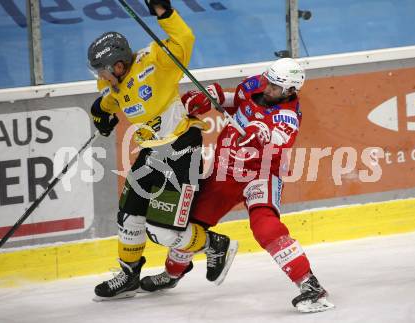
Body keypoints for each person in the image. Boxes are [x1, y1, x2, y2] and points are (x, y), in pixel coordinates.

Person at [140, 58, 334, 313]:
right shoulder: (259, 84)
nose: (268, 89)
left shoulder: (288, 117)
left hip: (260, 176)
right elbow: (234, 100)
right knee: (191, 225)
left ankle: (311, 287)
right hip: (225, 173)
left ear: (290, 91)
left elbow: (276, 137)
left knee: (266, 227)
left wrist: (260, 133)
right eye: (269, 82)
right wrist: (212, 96)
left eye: (276, 87)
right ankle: (172, 273)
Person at [87, 0, 237, 301]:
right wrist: (99, 113)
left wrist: (163, 13)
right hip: (151, 154)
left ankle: (215, 244)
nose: (101, 77)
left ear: (118, 65)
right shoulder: (116, 84)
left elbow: (185, 39)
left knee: (163, 232)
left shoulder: (155, 62)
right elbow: (110, 102)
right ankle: (129, 275)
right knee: (129, 214)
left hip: (182, 151)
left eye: (103, 71)